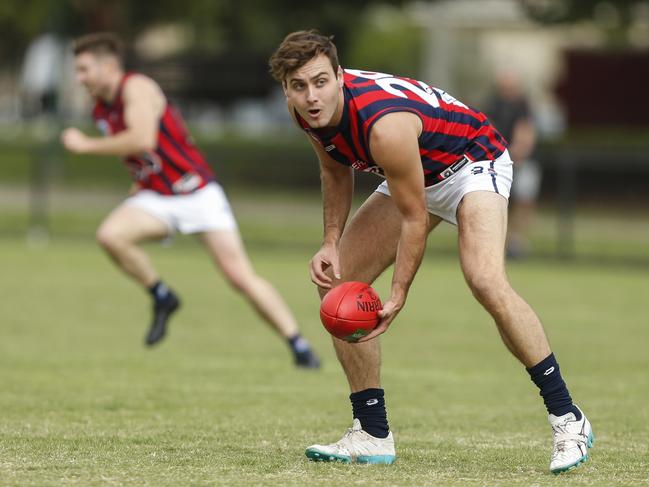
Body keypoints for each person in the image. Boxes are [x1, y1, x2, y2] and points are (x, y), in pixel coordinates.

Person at [269, 30, 593, 472]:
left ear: (339, 76)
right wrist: (330, 242)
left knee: (485, 279)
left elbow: (414, 217)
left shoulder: (384, 125)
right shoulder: (305, 111)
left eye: (321, 81)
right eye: (299, 86)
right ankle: (371, 433)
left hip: (470, 162)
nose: (311, 95)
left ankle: (567, 417)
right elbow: (335, 169)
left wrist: (398, 293)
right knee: (338, 285)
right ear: (286, 87)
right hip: (415, 174)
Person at [60, 32, 320, 369]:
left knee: (239, 277)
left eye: (84, 70)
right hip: (156, 196)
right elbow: (146, 153)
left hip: (196, 193)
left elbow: (142, 138)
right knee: (111, 236)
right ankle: (162, 296)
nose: (79, 78)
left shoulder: (135, 87)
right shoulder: (100, 106)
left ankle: (298, 345)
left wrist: (85, 146)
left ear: (108, 65)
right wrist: (140, 181)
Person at [483, 70, 541, 259]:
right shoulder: (494, 102)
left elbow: (526, 129)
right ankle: (502, 242)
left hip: (522, 160)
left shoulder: (523, 104)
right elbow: (488, 125)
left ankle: (518, 240)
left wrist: (519, 151)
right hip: (500, 159)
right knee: (501, 201)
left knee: (524, 199)